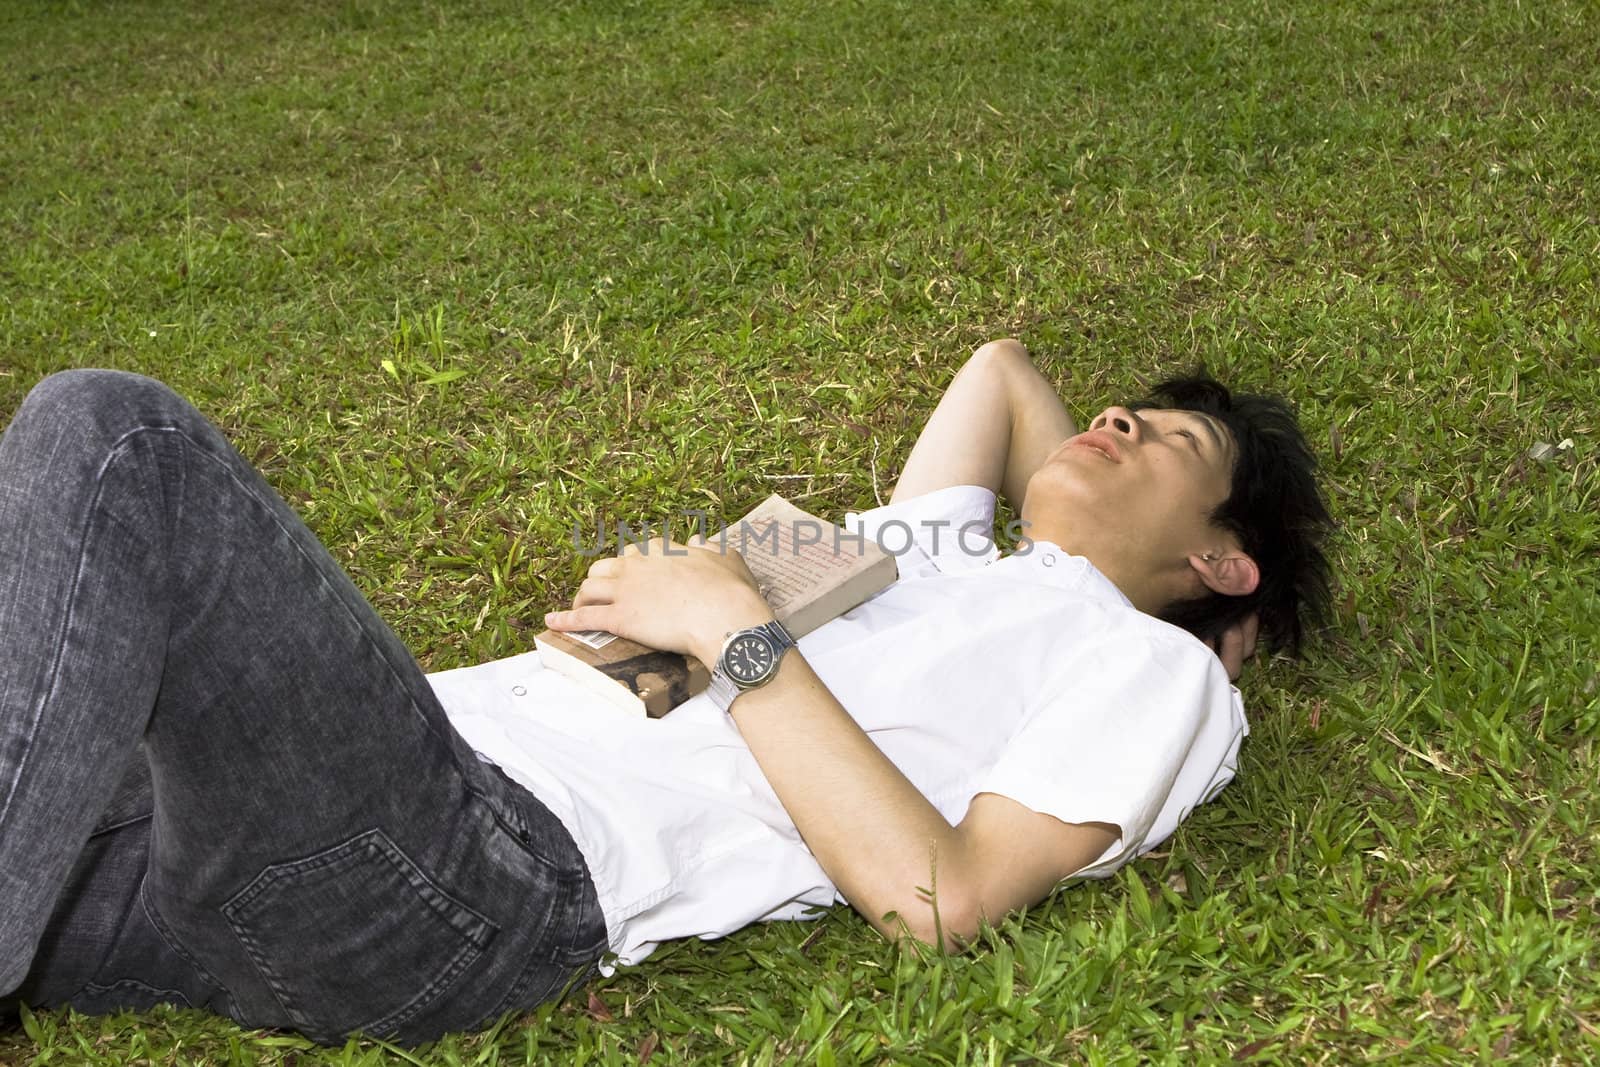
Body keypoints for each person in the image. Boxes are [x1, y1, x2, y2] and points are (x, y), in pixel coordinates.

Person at [0, 338, 1332, 1045]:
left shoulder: (1150, 671)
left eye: (1168, 442)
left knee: (119, 444)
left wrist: (735, 632)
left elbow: (948, 899)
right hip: (319, 823)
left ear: (1221, 556)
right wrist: (1075, 501)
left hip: (480, 873)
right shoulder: (922, 553)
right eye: (1121, 412)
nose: (1115, 425)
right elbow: (999, 369)